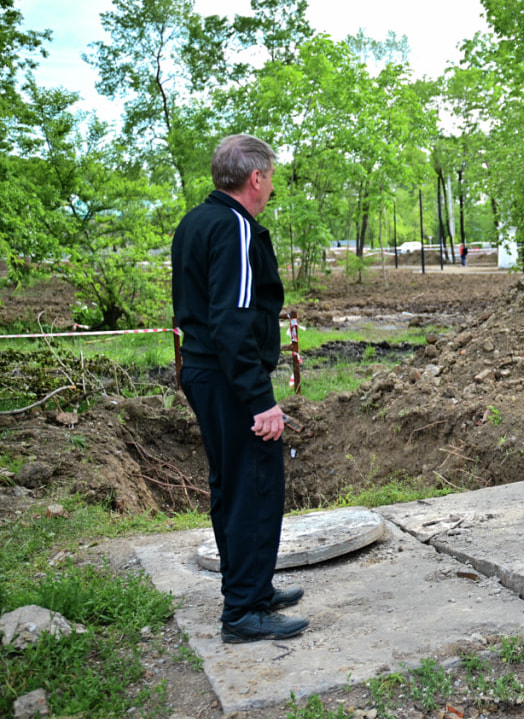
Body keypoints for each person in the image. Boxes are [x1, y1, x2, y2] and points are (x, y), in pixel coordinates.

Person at [172, 134, 309, 642]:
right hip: (231, 380)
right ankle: (244, 612)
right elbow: (233, 319)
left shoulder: (195, 222)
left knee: (229, 484)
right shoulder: (237, 229)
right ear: (256, 178)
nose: (271, 186)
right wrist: (261, 399)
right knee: (254, 486)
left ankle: (251, 587)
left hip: (203, 372)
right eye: (270, 177)